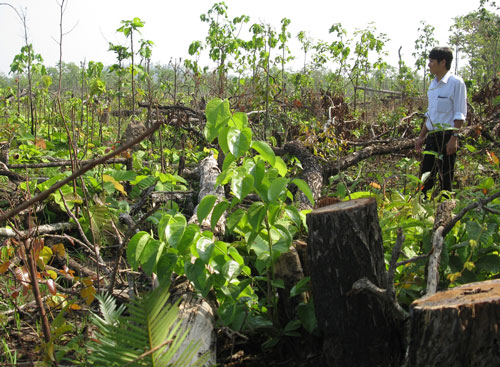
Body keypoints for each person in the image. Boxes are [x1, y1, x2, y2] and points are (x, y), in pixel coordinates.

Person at [415, 46, 467, 198]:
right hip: (432, 137)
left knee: (446, 179)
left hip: (448, 137)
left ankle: (447, 214)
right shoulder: (433, 85)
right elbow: (430, 114)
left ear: (442, 62)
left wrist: (454, 138)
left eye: (432, 61)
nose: (429, 64)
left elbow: (460, 113)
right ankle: (421, 211)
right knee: (426, 177)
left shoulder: (456, 83)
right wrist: (420, 136)